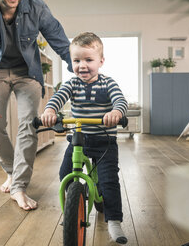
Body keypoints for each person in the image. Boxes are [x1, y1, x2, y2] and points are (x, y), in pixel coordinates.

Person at [0, 0, 73, 211]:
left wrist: (82, 66)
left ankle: (19, 187)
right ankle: (12, 171)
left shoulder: (37, 7)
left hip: (28, 72)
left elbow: (61, 43)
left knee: (29, 124)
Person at [41, 32, 128, 244]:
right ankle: (71, 210)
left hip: (104, 142)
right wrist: (50, 111)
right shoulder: (71, 84)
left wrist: (116, 113)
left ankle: (114, 220)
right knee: (65, 173)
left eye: (88, 60)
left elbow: (120, 101)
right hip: (79, 139)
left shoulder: (108, 83)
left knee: (108, 181)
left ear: (100, 61)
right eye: (77, 60)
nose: (82, 65)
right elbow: (57, 98)